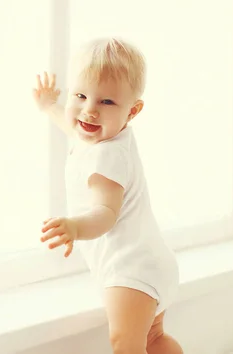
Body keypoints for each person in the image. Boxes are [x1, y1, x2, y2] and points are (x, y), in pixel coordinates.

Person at [33, 37, 184, 354]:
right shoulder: (106, 136)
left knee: (125, 345)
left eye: (106, 103)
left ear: (133, 110)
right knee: (153, 339)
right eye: (81, 95)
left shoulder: (108, 158)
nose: (89, 111)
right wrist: (50, 106)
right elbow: (72, 124)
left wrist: (75, 227)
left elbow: (105, 212)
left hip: (130, 270)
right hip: (152, 263)